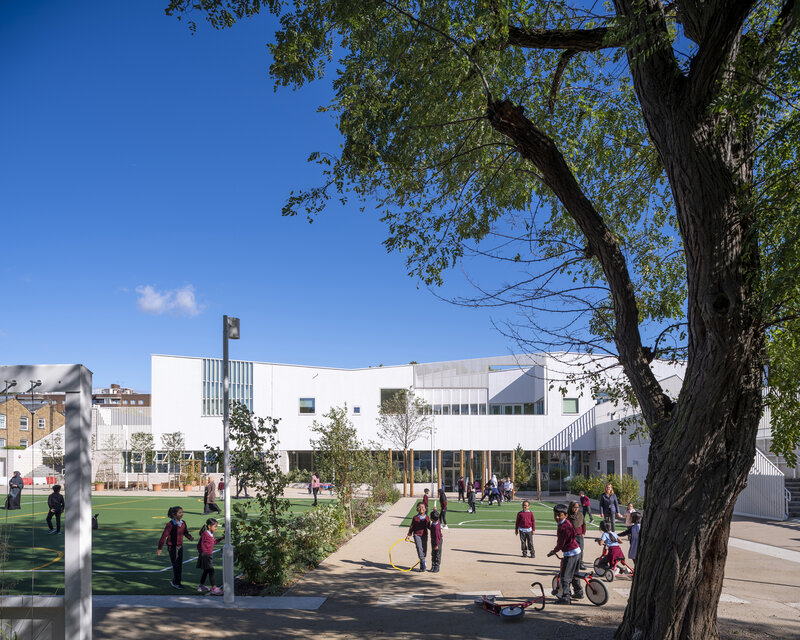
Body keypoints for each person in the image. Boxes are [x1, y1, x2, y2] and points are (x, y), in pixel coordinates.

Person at [547, 503, 582, 604]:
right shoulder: (567, 522)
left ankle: (566, 597)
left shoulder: (562, 528)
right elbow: (574, 534)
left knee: (564, 577)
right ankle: (579, 592)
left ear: (565, 515)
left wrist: (554, 551)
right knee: (575, 574)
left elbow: (560, 544)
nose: (557, 517)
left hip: (570, 553)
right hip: (577, 551)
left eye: (560, 515)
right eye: (555, 515)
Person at [157, 506, 194, 589]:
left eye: (182, 512)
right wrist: (160, 548)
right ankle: (177, 583)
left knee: (179, 565)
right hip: (172, 547)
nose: (182, 514)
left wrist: (190, 537)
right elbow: (163, 536)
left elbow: (185, 532)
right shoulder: (170, 524)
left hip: (180, 547)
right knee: (176, 565)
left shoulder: (183, 523)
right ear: (174, 514)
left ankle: (175, 581)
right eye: (180, 513)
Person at [196, 517, 224, 594]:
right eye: (215, 526)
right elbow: (201, 544)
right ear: (209, 526)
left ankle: (201, 586)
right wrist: (203, 552)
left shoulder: (211, 534)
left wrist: (221, 539)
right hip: (206, 556)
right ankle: (214, 588)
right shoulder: (205, 534)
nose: (216, 528)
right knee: (211, 570)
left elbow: (212, 543)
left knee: (206, 571)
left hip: (209, 555)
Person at [405, 502, 430, 572]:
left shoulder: (427, 518)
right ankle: (422, 562)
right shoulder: (415, 518)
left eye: (422, 507)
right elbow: (412, 527)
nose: (421, 508)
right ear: (417, 509)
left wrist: (435, 529)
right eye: (419, 507)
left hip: (424, 535)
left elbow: (429, 526)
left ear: (425, 509)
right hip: (417, 535)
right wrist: (408, 535)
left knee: (424, 550)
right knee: (419, 548)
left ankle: (422, 562)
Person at [567, 500, 587, 570]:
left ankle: (580, 563)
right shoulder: (568, 515)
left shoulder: (580, 515)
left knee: (581, 550)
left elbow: (584, 524)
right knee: (572, 550)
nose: (576, 509)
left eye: (577, 507)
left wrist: (583, 533)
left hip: (579, 536)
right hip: (572, 536)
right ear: (571, 507)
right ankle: (572, 564)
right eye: (574, 507)